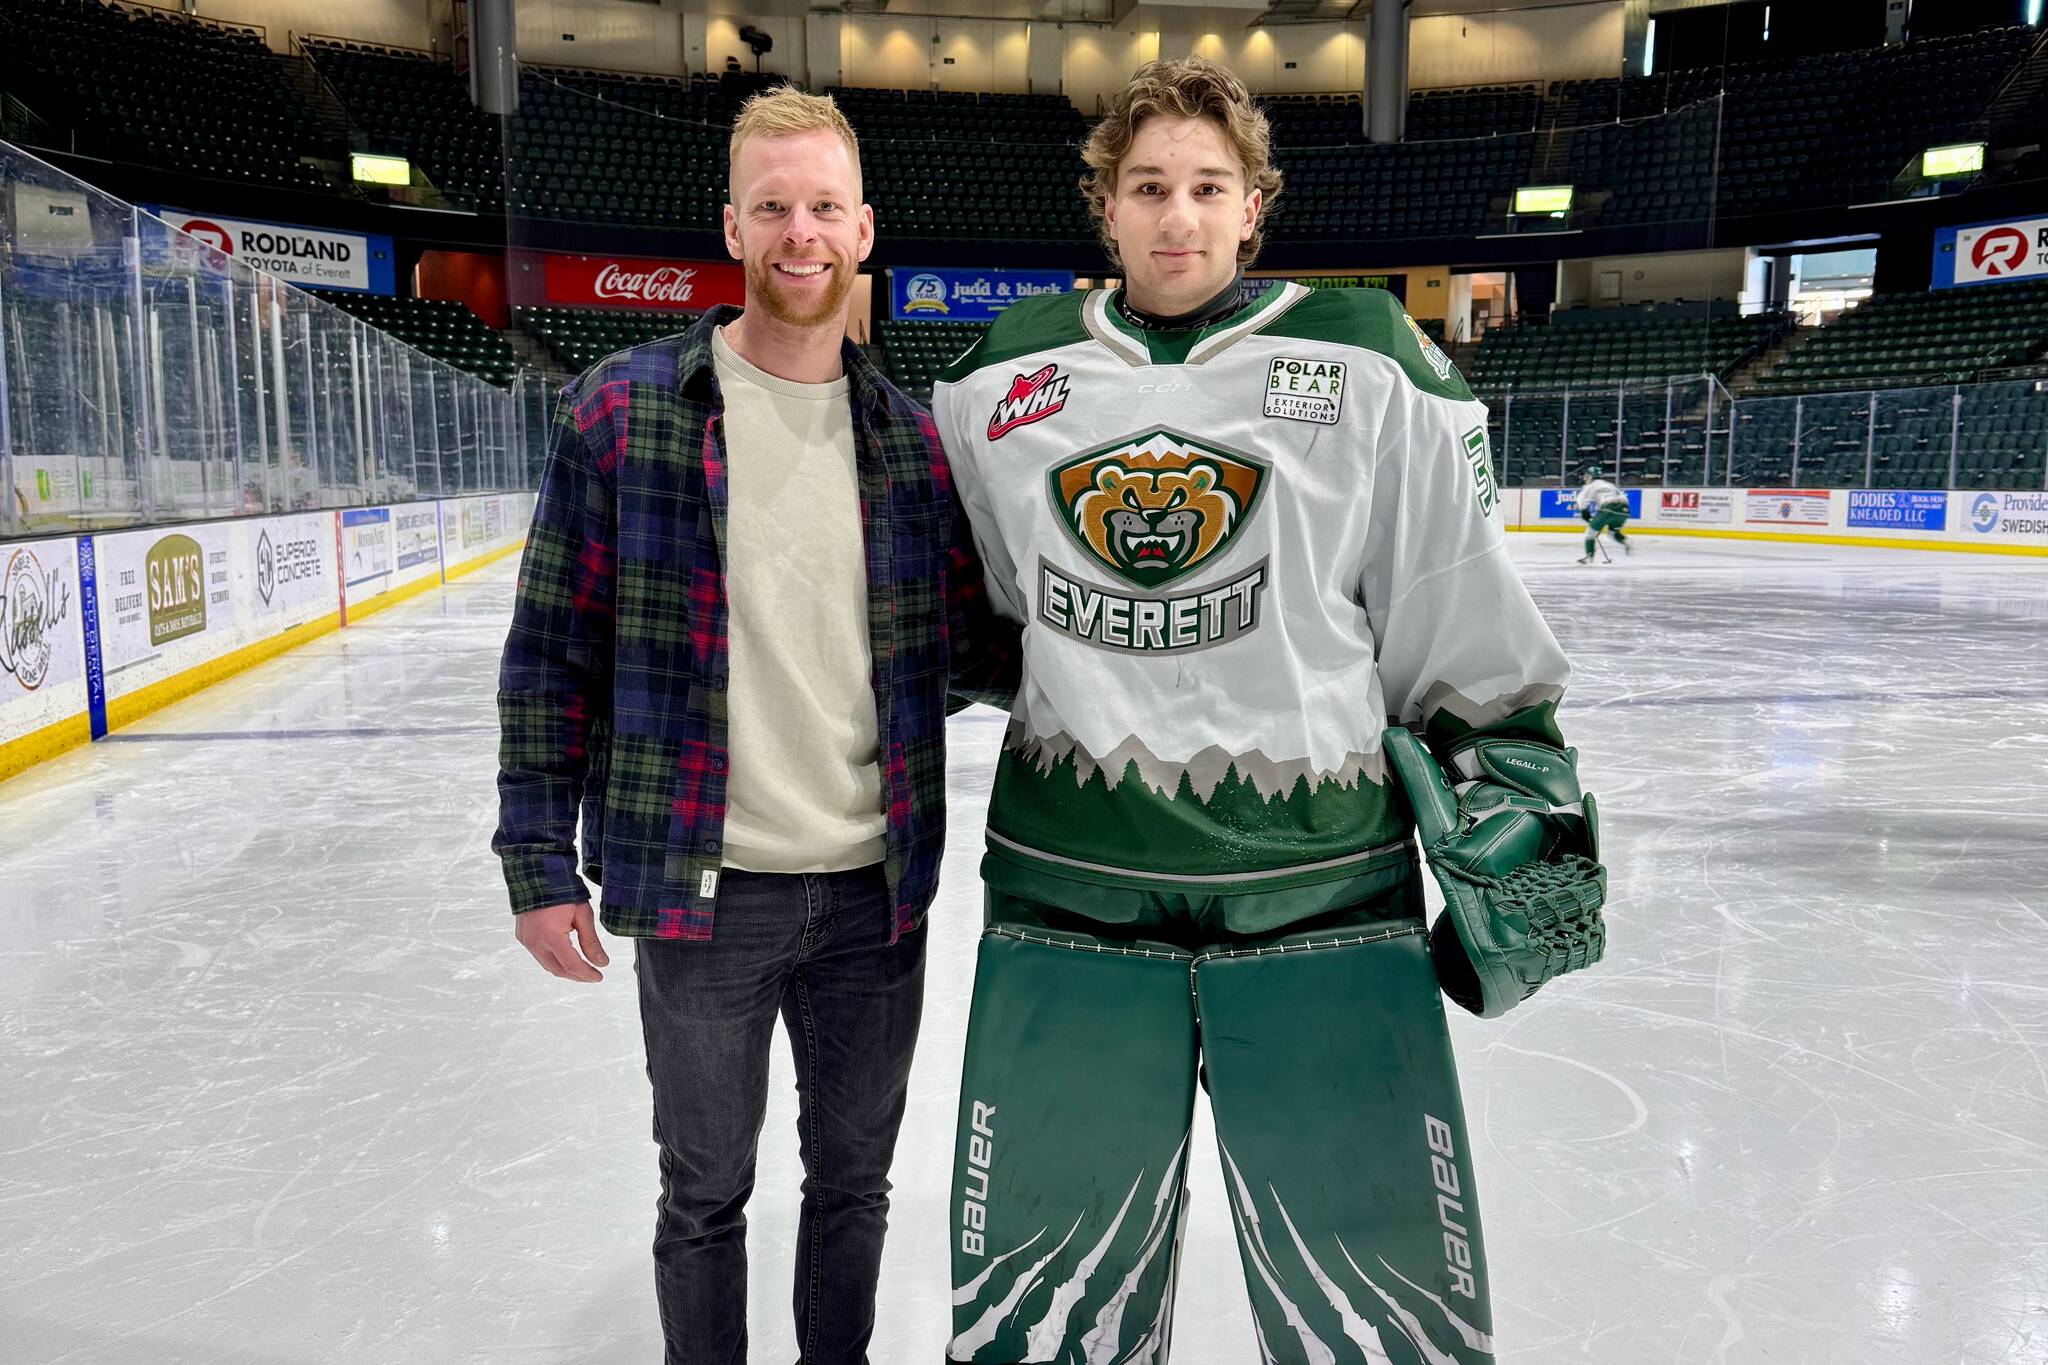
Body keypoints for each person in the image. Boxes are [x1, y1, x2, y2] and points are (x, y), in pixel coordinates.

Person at [930, 58, 1608, 1364]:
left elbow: (1451, 604)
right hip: (1068, 902)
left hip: (1328, 903)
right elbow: (959, 611)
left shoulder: (1369, 359)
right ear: (1106, 210)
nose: (1175, 216)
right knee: (1036, 1321)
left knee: (1384, 1318)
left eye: (1206, 187)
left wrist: (1518, 777)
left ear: (1254, 208)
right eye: (1147, 188)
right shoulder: (999, 380)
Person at [493, 87, 1013, 1365]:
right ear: (732, 225)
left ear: (863, 230)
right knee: (703, 1195)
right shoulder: (624, 413)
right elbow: (550, 653)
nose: (800, 232)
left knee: (852, 1189)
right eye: (773, 205)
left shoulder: (911, 441)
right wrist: (534, 862)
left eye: (824, 206)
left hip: (869, 896)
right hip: (700, 891)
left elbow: (963, 650)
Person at [1575, 466, 1633, 563]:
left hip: (1609, 508)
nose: (1586, 478)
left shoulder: (1591, 485)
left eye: (1588, 475)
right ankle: (1626, 541)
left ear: (1592, 476)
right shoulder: (1609, 484)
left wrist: (1585, 514)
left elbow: (1582, 501)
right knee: (1612, 533)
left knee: (1590, 533)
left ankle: (1589, 557)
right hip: (1624, 510)